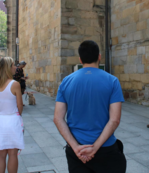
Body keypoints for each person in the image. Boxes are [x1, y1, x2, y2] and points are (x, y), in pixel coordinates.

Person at [54, 40, 126, 173]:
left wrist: (75, 147)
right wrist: (95, 147)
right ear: (99, 57)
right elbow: (114, 120)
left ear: (80, 59)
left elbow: (58, 119)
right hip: (106, 148)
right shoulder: (112, 81)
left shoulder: (66, 81)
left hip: (77, 150)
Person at [0, 57, 24, 173]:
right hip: (12, 119)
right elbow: (20, 105)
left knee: (1, 153)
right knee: (13, 153)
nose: (15, 67)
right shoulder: (14, 84)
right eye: (13, 65)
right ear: (8, 68)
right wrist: (18, 116)